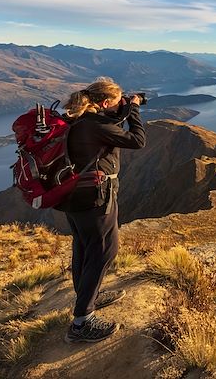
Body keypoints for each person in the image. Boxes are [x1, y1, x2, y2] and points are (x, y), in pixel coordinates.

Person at [60, 77, 145, 343]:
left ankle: (88, 296)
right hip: (94, 198)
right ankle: (82, 322)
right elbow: (136, 140)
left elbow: (108, 126)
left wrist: (124, 108)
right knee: (106, 249)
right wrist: (135, 111)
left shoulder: (77, 118)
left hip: (70, 196)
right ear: (105, 103)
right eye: (117, 101)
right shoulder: (95, 125)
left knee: (84, 247)